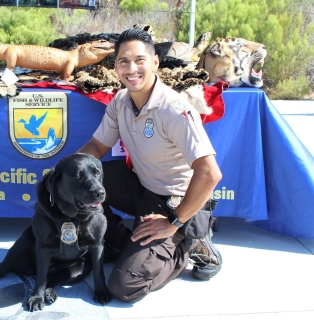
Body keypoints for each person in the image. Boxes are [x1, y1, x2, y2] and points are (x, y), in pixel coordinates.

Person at [77, 28, 223, 303]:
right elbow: (96, 148)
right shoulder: (121, 100)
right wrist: (64, 173)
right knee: (84, 180)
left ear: (155, 62)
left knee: (124, 286)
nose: (131, 69)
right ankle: (118, 241)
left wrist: (174, 221)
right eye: (123, 61)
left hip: (175, 203)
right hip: (143, 188)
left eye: (140, 60)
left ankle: (189, 242)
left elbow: (210, 173)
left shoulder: (174, 108)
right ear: (115, 65)